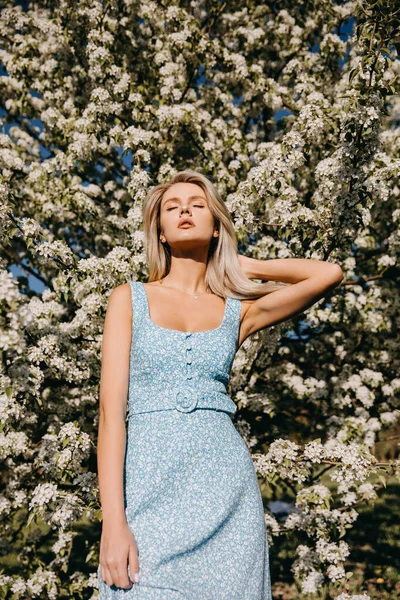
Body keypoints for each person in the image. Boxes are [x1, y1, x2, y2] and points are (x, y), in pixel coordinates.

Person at [96, 169, 343, 599]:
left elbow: (327, 274)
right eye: (172, 207)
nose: (185, 211)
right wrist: (113, 521)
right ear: (161, 232)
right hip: (149, 486)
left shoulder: (238, 311)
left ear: (216, 226)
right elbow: (110, 414)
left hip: (226, 490)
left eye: (197, 204)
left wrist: (241, 264)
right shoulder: (128, 298)